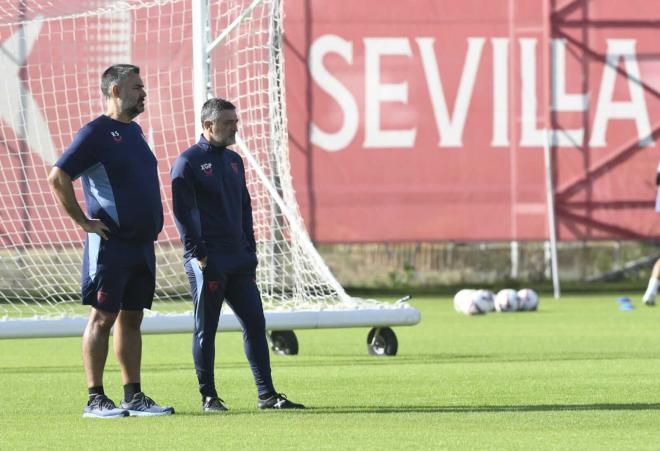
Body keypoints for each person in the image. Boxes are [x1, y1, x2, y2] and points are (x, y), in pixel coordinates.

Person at [47, 64, 174, 418]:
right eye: (136, 86)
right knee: (103, 316)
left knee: (131, 318)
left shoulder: (134, 133)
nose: (143, 92)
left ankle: (133, 396)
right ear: (115, 91)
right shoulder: (94, 133)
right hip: (111, 245)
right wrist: (82, 221)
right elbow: (58, 176)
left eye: (143, 85)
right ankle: (95, 398)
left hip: (141, 245)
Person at [171, 98, 304, 412]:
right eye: (229, 122)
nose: (236, 127)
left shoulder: (234, 161)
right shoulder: (188, 162)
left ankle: (267, 395)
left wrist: (251, 249)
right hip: (209, 262)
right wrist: (199, 256)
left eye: (236, 121)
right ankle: (209, 397)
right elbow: (181, 213)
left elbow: (245, 207)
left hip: (240, 261)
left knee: (256, 324)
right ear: (209, 125)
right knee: (207, 330)